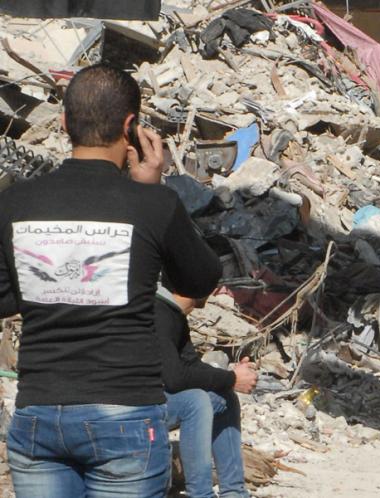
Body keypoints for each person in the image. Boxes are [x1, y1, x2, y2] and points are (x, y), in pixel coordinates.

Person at [0, 64, 222, 496]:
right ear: (131, 126)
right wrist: (153, 188)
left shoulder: (13, 202)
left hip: (37, 416)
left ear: (64, 123)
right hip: (124, 416)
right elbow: (201, 279)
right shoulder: (153, 204)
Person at [156, 287, 256, 498]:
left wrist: (231, 378)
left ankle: (234, 492)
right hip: (133, 405)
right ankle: (201, 494)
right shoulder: (157, 311)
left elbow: (191, 365)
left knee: (224, 397)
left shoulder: (174, 313)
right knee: (196, 401)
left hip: (157, 399)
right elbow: (174, 379)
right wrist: (231, 379)